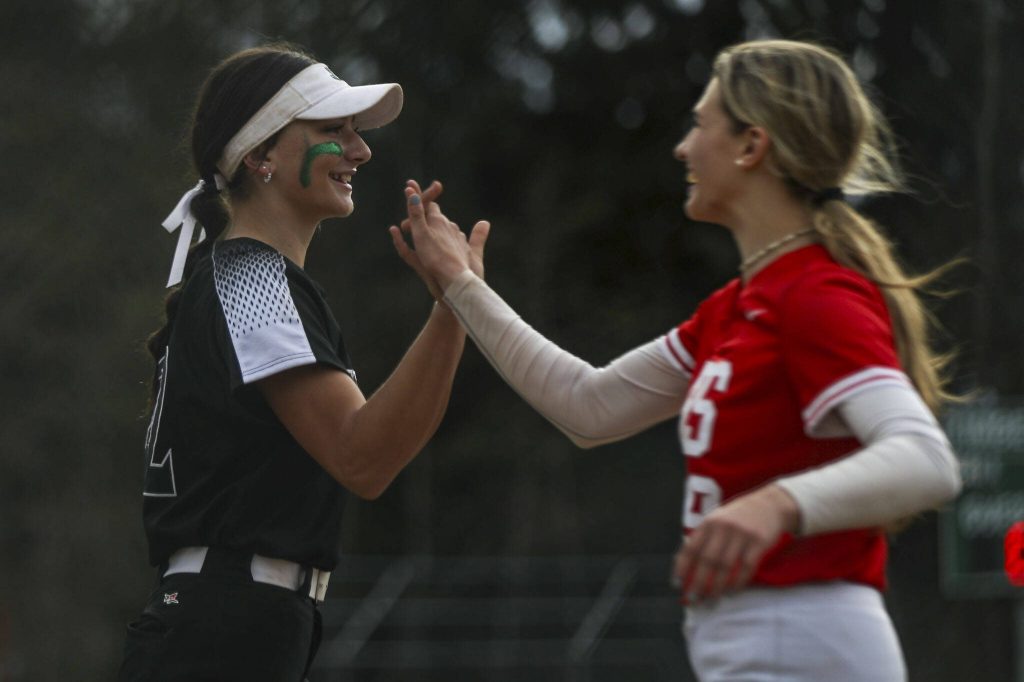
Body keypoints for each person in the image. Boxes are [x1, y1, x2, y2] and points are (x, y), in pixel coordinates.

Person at [394, 39, 962, 681]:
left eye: (699, 124)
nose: (683, 147)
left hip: (806, 640)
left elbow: (926, 458)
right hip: (761, 642)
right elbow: (589, 407)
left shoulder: (816, 293)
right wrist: (464, 289)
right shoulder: (735, 308)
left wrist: (774, 504)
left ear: (752, 146)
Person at [118, 44, 487, 682]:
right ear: (260, 156)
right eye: (331, 131)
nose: (360, 150)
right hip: (224, 628)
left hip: (231, 623)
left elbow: (367, 459)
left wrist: (455, 303)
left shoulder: (240, 275)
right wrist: (455, 300)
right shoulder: (252, 276)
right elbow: (362, 457)